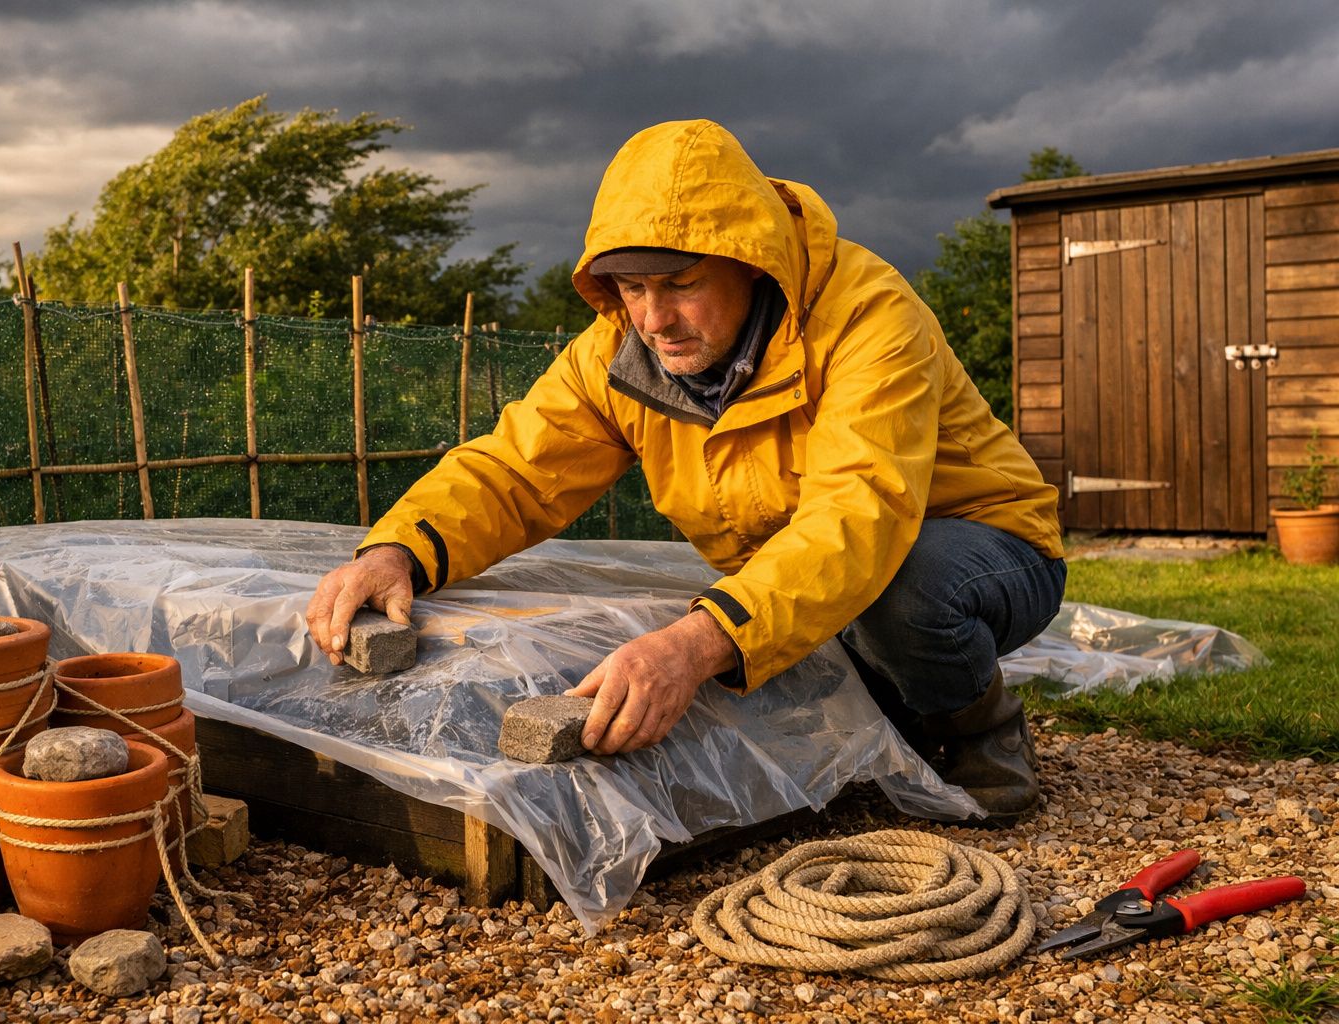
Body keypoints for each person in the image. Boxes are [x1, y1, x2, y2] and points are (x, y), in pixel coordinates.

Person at [306, 119, 1065, 820]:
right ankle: (890, 704)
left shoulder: (868, 319)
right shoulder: (614, 356)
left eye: (680, 284)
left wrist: (694, 644)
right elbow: (516, 470)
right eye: (631, 288)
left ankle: (978, 726)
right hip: (804, 564)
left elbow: (857, 519)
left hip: (977, 546)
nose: (653, 318)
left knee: (902, 593)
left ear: (750, 261)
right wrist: (398, 547)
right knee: (769, 628)